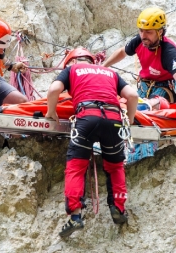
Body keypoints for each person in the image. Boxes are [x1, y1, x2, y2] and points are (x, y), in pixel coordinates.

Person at [45, 47, 138, 238]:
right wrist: (130, 118)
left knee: (76, 167)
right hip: (113, 120)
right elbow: (133, 96)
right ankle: (118, 209)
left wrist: (50, 111)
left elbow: (54, 90)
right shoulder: (111, 72)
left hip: (86, 118)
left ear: (71, 61)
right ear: (92, 60)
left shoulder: (72, 70)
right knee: (115, 166)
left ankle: (75, 216)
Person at [102, 7, 176, 109]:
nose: (143, 36)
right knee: (130, 104)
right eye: (141, 31)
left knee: (149, 105)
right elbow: (122, 52)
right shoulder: (139, 41)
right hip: (145, 84)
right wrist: (103, 67)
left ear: (160, 32)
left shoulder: (168, 50)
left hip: (165, 87)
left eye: (148, 32)